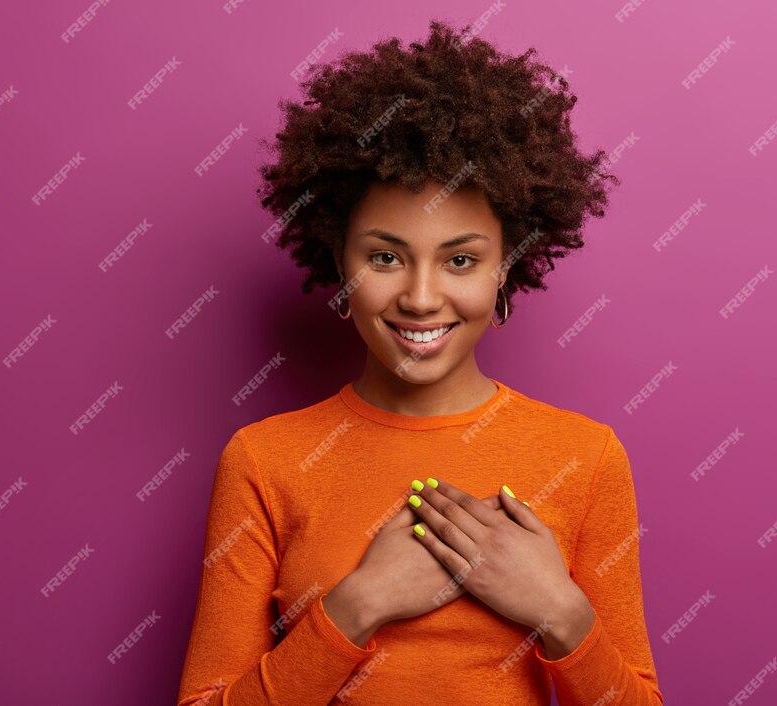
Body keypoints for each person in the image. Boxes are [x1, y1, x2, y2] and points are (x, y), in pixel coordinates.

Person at [177, 19, 663, 706]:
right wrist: (358, 605)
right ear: (337, 260)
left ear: (506, 268)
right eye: (384, 257)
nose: (421, 297)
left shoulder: (587, 458)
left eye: (460, 259)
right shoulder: (265, 460)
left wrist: (561, 612)